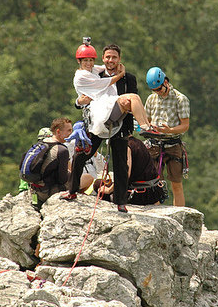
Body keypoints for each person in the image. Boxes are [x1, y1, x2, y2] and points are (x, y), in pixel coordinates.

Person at [62, 39, 157, 212]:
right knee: (81, 154)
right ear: (103, 59)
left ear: (119, 59)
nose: (110, 60)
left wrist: (124, 113)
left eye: (114, 57)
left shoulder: (129, 79)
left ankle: (120, 201)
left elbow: (133, 101)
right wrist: (78, 102)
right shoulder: (95, 74)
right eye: (107, 57)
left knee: (121, 163)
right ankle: (72, 189)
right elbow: (82, 97)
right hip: (97, 121)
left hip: (120, 122)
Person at [144, 67, 190, 206]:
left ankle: (179, 216)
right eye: (154, 90)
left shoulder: (180, 99)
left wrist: (169, 130)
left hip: (173, 144)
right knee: (154, 184)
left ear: (166, 82)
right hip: (154, 144)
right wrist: (149, 128)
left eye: (159, 89)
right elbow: (146, 120)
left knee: (176, 184)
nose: (157, 92)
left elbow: (185, 125)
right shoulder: (151, 99)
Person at [95, 136, 167, 205]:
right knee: (102, 183)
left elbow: (125, 175)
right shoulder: (138, 142)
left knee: (98, 184)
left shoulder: (126, 146)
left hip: (140, 194)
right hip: (153, 191)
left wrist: (109, 190)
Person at [31, 117, 72, 206]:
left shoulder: (41, 144)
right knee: (87, 178)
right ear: (58, 132)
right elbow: (62, 179)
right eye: (68, 131)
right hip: (47, 193)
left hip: (34, 191)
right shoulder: (62, 150)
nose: (71, 134)